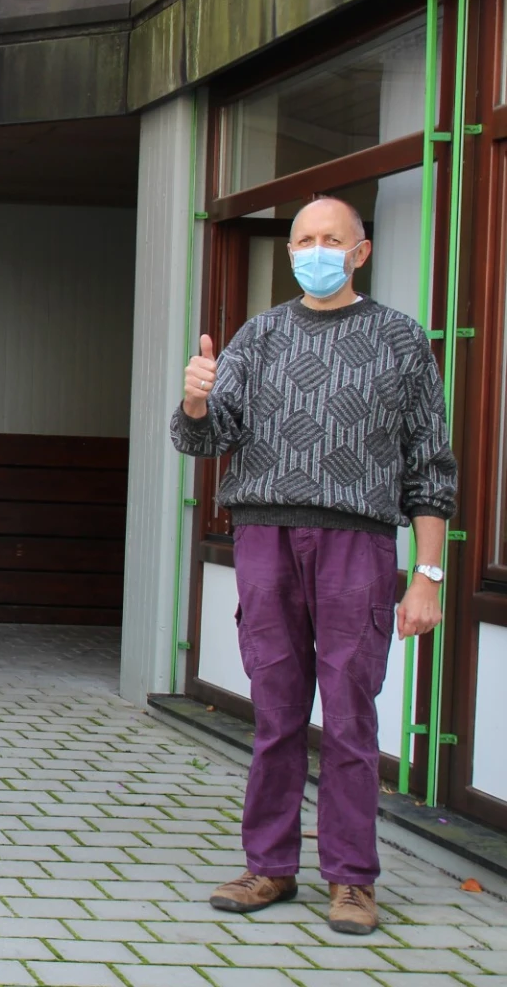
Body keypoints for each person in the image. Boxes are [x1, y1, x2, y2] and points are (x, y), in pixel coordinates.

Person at [172, 196, 456, 936]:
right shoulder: (259, 336)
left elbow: (430, 467)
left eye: (332, 238)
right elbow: (204, 440)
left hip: (358, 543)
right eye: (304, 239)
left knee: (351, 716)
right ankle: (269, 866)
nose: (316, 250)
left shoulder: (401, 340)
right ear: (291, 250)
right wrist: (196, 401)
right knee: (275, 712)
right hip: (264, 536)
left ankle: (352, 880)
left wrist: (427, 578)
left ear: (361, 252)